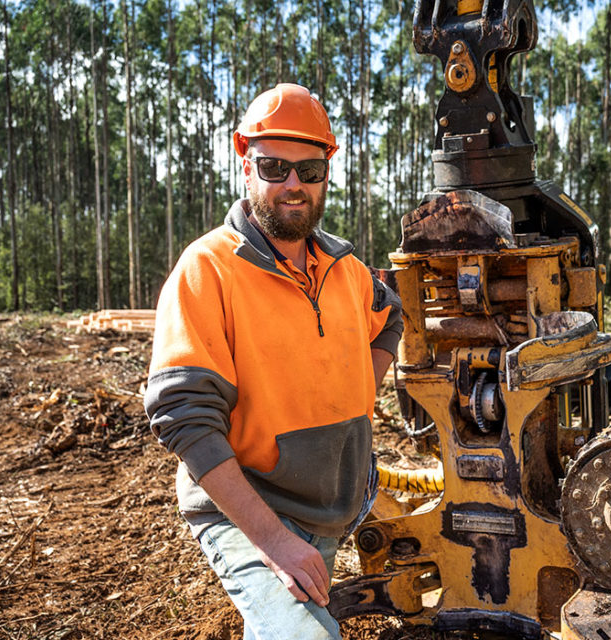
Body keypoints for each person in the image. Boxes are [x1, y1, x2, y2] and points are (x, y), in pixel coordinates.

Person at [144, 83, 403, 639]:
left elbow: (391, 318)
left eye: (309, 171)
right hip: (249, 512)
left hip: (328, 508)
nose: (293, 184)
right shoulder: (207, 269)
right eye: (274, 167)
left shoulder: (347, 270)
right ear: (246, 167)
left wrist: (360, 400)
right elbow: (183, 416)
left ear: (326, 175)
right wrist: (272, 540)